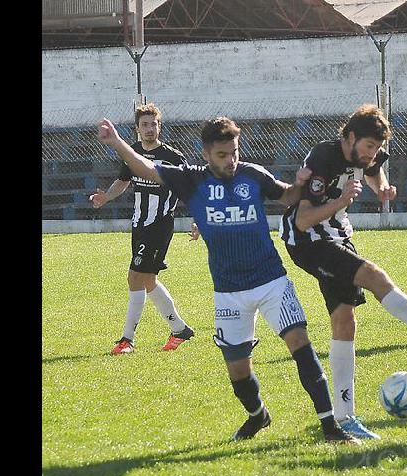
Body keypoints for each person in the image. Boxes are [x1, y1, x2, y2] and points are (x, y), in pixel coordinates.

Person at [97, 116, 361, 444]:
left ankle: (330, 427)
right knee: (237, 369)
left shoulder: (252, 174)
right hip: (228, 292)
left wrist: (304, 183)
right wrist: (115, 143)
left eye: (234, 152)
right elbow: (146, 167)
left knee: (300, 345)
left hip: (271, 281)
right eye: (223, 154)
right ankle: (257, 415)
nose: (231, 160)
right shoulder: (191, 181)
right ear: (206, 154)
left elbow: (287, 196)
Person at [279, 104, 407, 440]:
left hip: (338, 237)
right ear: (350, 136)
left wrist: (382, 188)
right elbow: (302, 220)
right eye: (369, 147)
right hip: (309, 241)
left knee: (345, 320)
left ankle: (345, 417)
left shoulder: (364, 154)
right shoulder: (323, 160)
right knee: (374, 277)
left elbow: (374, 170)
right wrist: (340, 201)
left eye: (377, 148)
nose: (372, 154)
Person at [88, 103, 194, 355]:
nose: (149, 129)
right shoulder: (132, 153)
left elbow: (190, 188)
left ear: (160, 127)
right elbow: (122, 181)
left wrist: (197, 218)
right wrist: (106, 197)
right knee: (147, 280)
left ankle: (127, 339)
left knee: (135, 277)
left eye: (153, 124)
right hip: (139, 223)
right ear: (137, 129)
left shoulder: (173, 157)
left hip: (159, 224)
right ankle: (179, 329)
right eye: (144, 125)